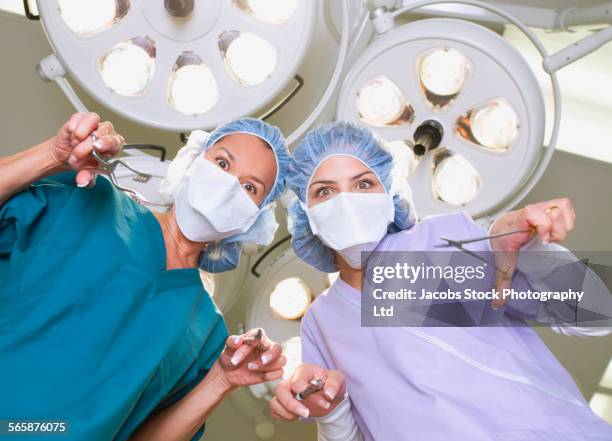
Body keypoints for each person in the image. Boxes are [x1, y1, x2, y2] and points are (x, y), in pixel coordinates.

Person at [269, 121, 612, 441]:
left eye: (363, 184)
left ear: (389, 197)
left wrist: (529, 250)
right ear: (306, 215)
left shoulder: (441, 240)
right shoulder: (321, 323)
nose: (347, 202)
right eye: (325, 192)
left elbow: (597, 312)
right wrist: (332, 411)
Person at [0, 112, 290, 440]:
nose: (228, 186)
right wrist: (51, 156)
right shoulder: (90, 201)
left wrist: (222, 380)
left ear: (255, 221)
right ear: (192, 160)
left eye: (250, 187)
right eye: (222, 163)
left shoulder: (207, 334)